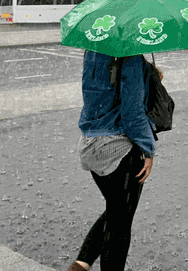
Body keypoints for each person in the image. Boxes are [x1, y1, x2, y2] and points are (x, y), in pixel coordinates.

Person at [67, 52, 159, 271]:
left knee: (116, 211)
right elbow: (132, 114)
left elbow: (103, 92)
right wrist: (148, 150)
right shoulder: (130, 57)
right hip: (119, 149)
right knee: (119, 226)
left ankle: (81, 264)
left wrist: (146, 75)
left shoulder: (92, 51)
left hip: (90, 142)